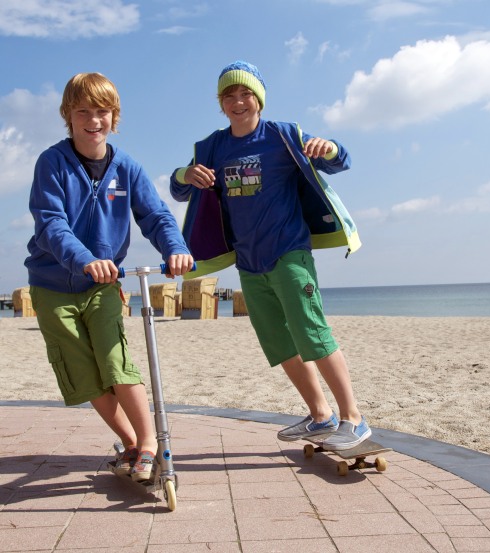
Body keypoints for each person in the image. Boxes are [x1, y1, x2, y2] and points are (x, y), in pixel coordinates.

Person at [170, 61, 370, 450]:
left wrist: (327, 146)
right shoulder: (212, 146)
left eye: (245, 93)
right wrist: (184, 174)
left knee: (313, 333)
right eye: (229, 96)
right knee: (279, 344)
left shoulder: (282, 135)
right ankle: (320, 416)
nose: (238, 101)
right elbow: (180, 190)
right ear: (221, 104)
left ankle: (354, 419)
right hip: (249, 262)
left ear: (258, 99)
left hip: (289, 253)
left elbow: (340, 159)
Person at [25, 72, 194, 481]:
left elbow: (154, 215)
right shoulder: (52, 163)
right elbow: (51, 224)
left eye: (102, 111)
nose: (93, 119)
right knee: (83, 374)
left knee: (115, 360)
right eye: (83, 111)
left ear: (114, 116)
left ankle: (151, 445)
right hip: (52, 286)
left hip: (103, 285)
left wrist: (175, 248)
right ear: (68, 114)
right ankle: (131, 444)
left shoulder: (127, 168)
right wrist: (85, 259)